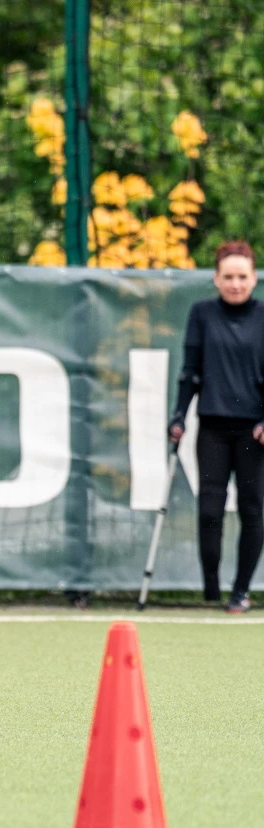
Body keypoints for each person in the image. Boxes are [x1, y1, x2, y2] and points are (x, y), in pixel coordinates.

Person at [169, 240, 264, 614]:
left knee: (252, 510)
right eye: (228, 277)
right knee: (210, 510)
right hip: (212, 427)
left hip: (253, 433)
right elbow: (190, 371)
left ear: (253, 278)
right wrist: (179, 415)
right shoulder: (202, 313)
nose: (235, 284)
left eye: (242, 276)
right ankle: (211, 583)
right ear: (216, 279)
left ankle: (240, 591)